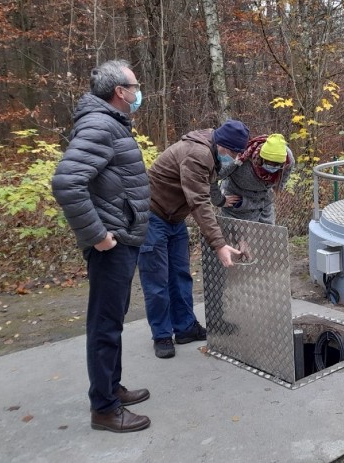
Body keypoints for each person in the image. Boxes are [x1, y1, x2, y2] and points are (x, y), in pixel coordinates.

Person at [51, 60, 151, 433]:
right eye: (134, 86)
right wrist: (98, 235)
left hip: (123, 238)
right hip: (112, 244)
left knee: (113, 320)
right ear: (119, 92)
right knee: (105, 325)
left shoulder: (111, 123)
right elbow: (66, 183)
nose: (139, 92)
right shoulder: (99, 125)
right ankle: (105, 409)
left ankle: (112, 388)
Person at [140, 119, 251, 358]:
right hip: (152, 217)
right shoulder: (197, 154)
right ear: (223, 145)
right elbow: (198, 201)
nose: (233, 157)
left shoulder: (212, 147)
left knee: (180, 275)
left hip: (174, 219)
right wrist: (219, 244)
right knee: (157, 281)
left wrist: (220, 201)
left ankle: (185, 328)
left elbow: (208, 189)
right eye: (233, 152)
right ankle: (161, 335)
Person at [212, 133, 295, 224]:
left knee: (266, 236)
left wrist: (274, 191)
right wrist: (219, 200)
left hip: (263, 206)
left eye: (277, 165)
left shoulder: (288, 159)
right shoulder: (242, 156)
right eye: (269, 163)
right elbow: (214, 176)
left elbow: (282, 180)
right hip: (236, 206)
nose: (273, 167)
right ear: (261, 157)